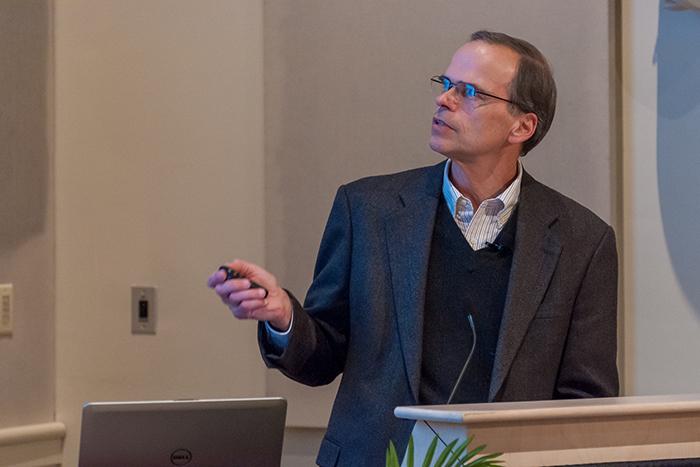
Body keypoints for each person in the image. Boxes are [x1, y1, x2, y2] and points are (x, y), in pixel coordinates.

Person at [208, 30, 619, 466]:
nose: (444, 101)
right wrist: (283, 316)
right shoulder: (367, 210)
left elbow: (585, 403)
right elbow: (321, 357)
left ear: (523, 125)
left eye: (469, 92)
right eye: (444, 85)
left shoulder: (582, 241)